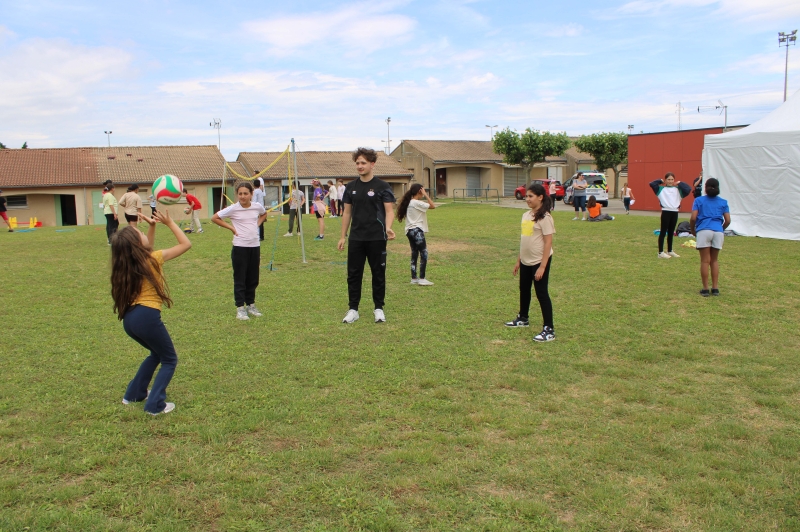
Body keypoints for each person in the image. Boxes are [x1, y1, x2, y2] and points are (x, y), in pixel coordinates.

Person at [112, 209, 192, 415]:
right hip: (146, 317)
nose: (142, 233)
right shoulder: (153, 259)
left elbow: (148, 247)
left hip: (130, 320)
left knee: (156, 353)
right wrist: (170, 222)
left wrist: (153, 226)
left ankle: (134, 394)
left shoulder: (130, 264)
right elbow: (186, 244)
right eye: (139, 233)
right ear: (138, 245)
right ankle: (155, 405)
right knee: (169, 359)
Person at [338, 147, 396, 324]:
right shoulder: (351, 187)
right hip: (356, 238)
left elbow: (389, 211)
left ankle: (378, 308)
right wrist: (343, 236)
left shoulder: (382, 186)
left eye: (363, 163)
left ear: (372, 164)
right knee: (353, 274)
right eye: (357, 163)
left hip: (377, 238)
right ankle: (353, 309)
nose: (360, 166)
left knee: (378, 273)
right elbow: (347, 213)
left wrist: (388, 228)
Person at [505, 183, 555, 342]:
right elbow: (525, 239)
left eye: (530, 196)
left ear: (540, 197)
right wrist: (519, 260)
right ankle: (523, 318)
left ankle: (549, 329)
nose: (527, 199)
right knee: (524, 289)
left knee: (541, 293)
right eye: (526, 196)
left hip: (539, 260)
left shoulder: (545, 217)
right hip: (526, 260)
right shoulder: (526, 215)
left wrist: (542, 266)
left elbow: (548, 243)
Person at [211, 182, 268, 320]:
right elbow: (214, 218)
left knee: (253, 278)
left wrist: (257, 224)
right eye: (240, 194)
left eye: (245, 193)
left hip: (254, 246)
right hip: (240, 247)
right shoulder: (233, 208)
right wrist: (231, 228)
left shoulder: (257, 207)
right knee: (240, 278)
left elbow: (264, 214)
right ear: (237, 194)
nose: (242, 196)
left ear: (251, 194)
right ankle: (240, 308)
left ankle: (251, 305)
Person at [690, 178, 730, 297]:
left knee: (704, 260)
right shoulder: (723, 202)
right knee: (714, 260)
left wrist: (693, 229)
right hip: (718, 230)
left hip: (704, 230)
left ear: (705, 187)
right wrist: (721, 228)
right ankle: (715, 288)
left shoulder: (699, 200)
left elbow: (693, 218)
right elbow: (728, 220)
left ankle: (706, 289)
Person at [396, 184, 436, 286]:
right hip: (417, 231)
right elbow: (432, 206)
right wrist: (426, 195)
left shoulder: (409, 202)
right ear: (420, 191)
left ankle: (414, 278)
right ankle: (422, 278)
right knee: (424, 253)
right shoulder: (416, 203)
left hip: (409, 231)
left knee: (415, 253)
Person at [650, 172, 692, 259]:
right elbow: (652, 184)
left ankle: (670, 250)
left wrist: (680, 183)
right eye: (668, 179)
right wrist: (660, 180)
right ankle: (660, 252)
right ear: (665, 180)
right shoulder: (660, 189)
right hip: (666, 211)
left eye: (672, 179)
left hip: (675, 211)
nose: (670, 181)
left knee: (671, 232)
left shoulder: (678, 189)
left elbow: (688, 189)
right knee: (663, 232)